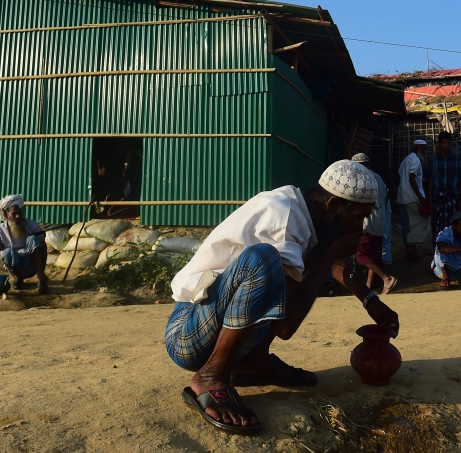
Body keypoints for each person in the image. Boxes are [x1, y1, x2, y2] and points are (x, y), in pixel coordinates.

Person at [165, 160, 400, 434]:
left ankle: (254, 362)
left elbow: (331, 260)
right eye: (359, 216)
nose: (361, 228)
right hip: (187, 336)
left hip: (213, 330)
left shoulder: (304, 215)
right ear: (334, 206)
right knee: (263, 258)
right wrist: (330, 251)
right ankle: (211, 376)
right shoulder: (282, 217)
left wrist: (371, 300)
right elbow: (286, 326)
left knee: (284, 267)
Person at [0, 195, 49, 294]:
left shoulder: (30, 224)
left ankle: (40, 278)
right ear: (6, 214)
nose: (18, 216)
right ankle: (17, 277)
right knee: (7, 252)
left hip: (32, 265)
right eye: (14, 214)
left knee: (33, 239)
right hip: (15, 266)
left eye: (19, 213)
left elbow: (43, 245)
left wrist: (42, 270)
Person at [351, 153, 396, 294]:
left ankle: (386, 278)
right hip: (380, 222)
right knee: (373, 256)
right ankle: (368, 286)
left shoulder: (363, 180)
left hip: (368, 223)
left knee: (360, 254)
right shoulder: (378, 178)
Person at [426, 131, 461, 241]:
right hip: (437, 200)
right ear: (439, 143)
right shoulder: (433, 161)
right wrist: (430, 203)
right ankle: (439, 254)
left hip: (452, 200)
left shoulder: (457, 160)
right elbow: (430, 182)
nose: (446, 145)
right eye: (444, 143)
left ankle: (452, 254)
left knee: (454, 227)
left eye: (448, 143)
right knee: (437, 228)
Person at [397, 140, 430, 260]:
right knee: (423, 222)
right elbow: (411, 178)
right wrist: (421, 197)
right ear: (419, 148)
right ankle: (411, 248)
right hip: (412, 198)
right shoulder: (415, 159)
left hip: (403, 197)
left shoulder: (406, 160)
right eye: (425, 149)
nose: (426, 152)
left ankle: (410, 249)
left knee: (408, 225)